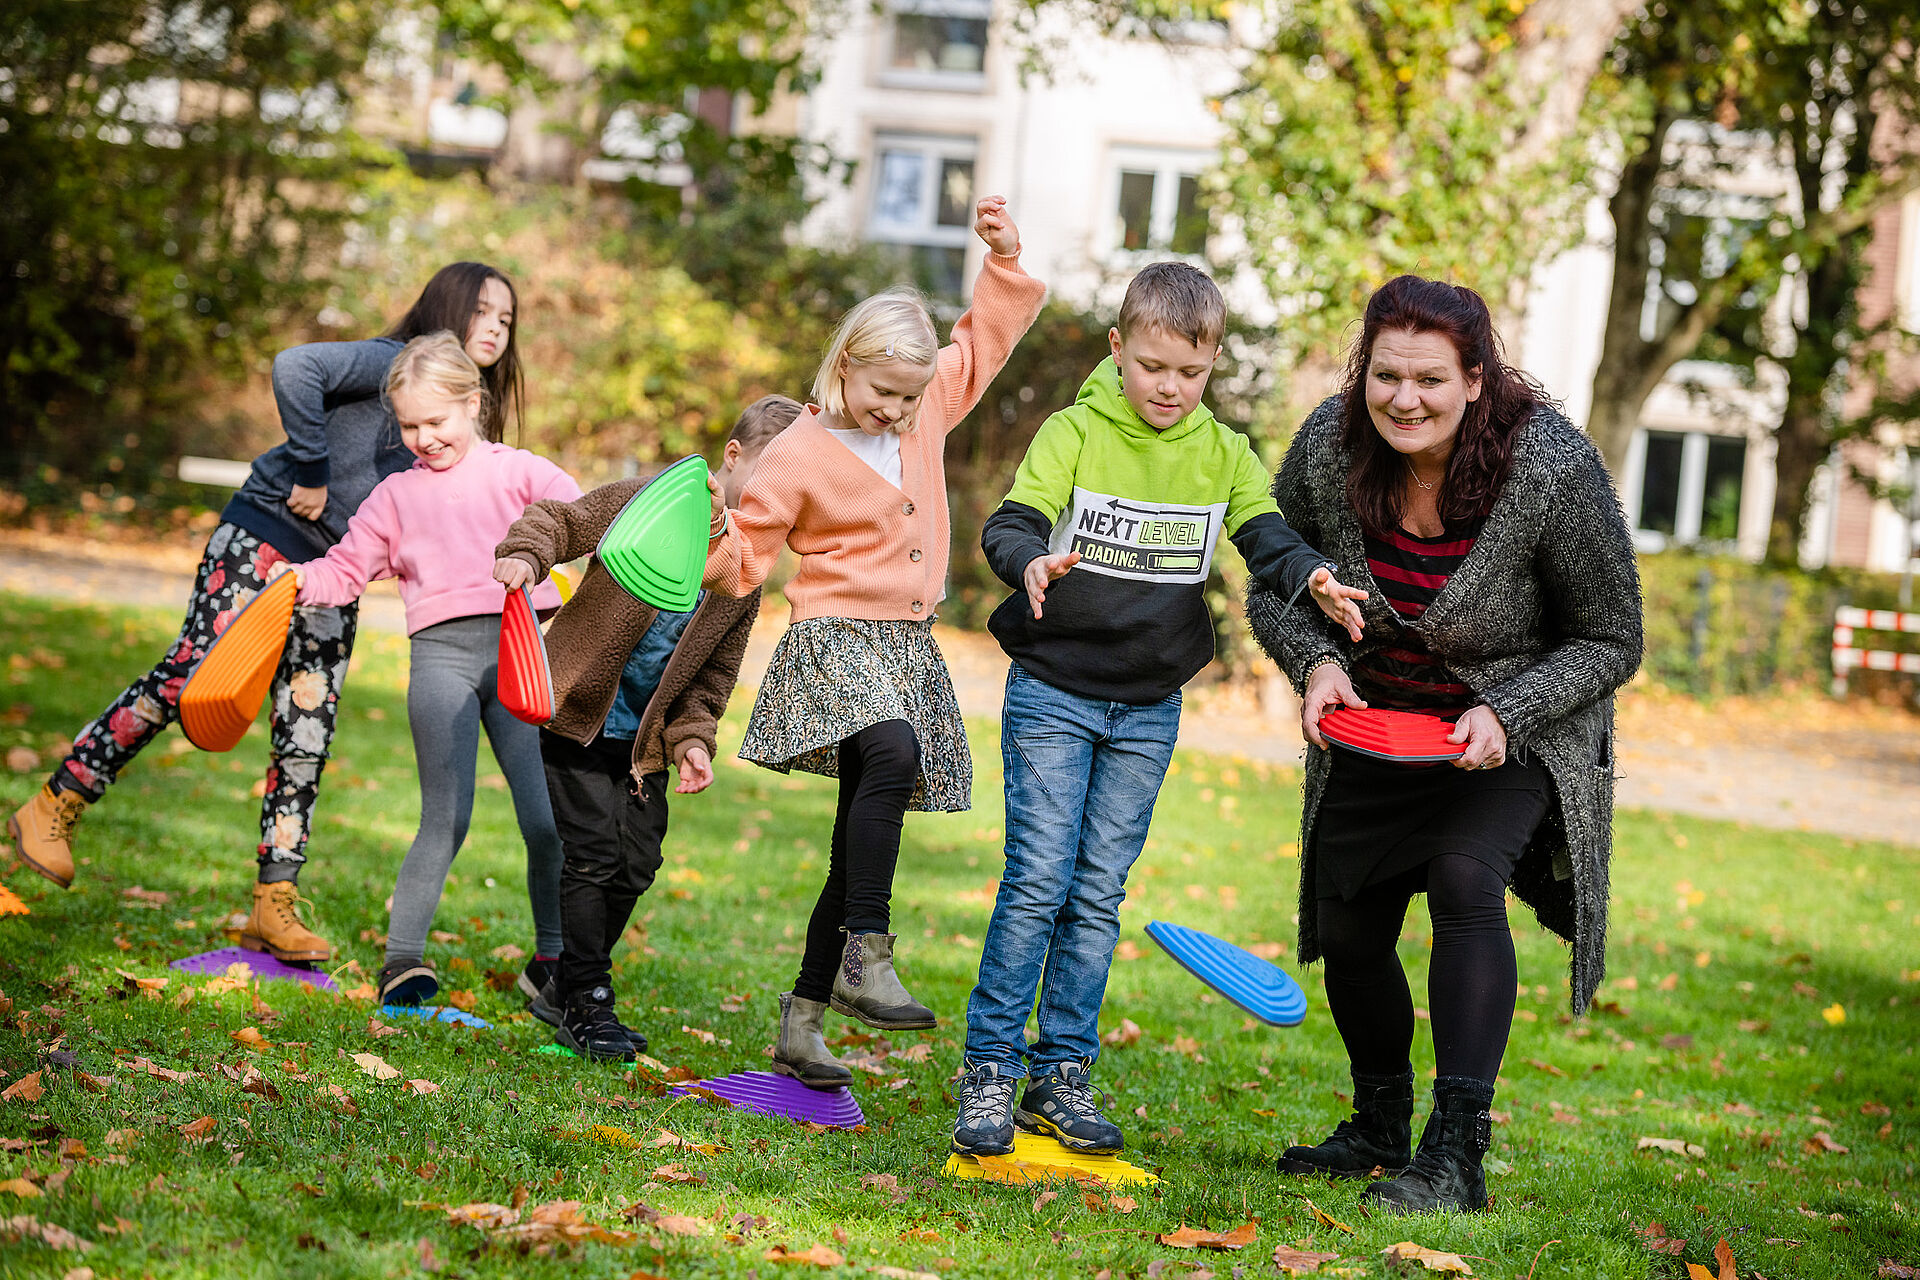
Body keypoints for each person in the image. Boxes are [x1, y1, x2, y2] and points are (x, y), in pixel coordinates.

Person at [948, 262, 1368, 1157]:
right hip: (1055, 693)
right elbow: (1011, 523)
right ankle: (988, 1069)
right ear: (1118, 350)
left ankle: (1061, 1075)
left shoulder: (1220, 452)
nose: (1169, 388)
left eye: (1189, 372)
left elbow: (1267, 535)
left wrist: (1313, 576)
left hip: (1147, 708)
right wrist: (1027, 561)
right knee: (1037, 882)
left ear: (1211, 365)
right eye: (1150, 367)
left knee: (1097, 894)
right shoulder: (1075, 432)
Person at [1245, 275, 1643, 1213]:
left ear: (1475, 378)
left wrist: (1511, 711)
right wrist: (1314, 663)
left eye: (1429, 379)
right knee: (1348, 924)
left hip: (1509, 735)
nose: (1403, 400)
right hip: (1376, 725)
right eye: (1386, 376)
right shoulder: (1329, 445)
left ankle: (1457, 1151)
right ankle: (1381, 1121)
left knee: (1466, 883)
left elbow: (1612, 636)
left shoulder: (1547, 468)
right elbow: (1274, 576)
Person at [8, 263, 526, 965]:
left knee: (307, 727)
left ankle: (272, 903)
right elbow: (295, 366)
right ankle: (58, 800)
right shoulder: (384, 362)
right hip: (266, 536)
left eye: (507, 318)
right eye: (485, 311)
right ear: (449, 305)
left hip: (330, 574)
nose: (497, 326)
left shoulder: (452, 420)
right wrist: (310, 468)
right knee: (191, 673)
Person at [702, 197, 1047, 1090]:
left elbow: (985, 340)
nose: (897, 409)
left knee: (856, 846)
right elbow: (748, 559)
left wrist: (1005, 262)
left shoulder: (926, 403)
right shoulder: (797, 456)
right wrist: (708, 543)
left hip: (905, 643)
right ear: (842, 368)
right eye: (880, 392)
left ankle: (805, 1018)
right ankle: (869, 952)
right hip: (831, 638)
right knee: (891, 754)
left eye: (909, 394)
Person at [491, 396, 801, 1061]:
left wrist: (692, 741)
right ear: (734, 457)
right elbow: (563, 520)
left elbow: (710, 683)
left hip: (644, 748)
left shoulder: (745, 571)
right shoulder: (655, 501)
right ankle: (586, 1000)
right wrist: (527, 555)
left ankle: (562, 981)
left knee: (636, 864)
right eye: (772, 476)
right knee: (595, 855)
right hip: (575, 715)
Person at [276, 333, 580, 1005]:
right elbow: (345, 569)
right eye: (409, 425)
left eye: (435, 421)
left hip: (523, 654)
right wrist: (295, 580)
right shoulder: (392, 498)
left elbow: (584, 517)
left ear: (474, 404)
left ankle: (553, 960)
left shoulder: (521, 472)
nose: (422, 437)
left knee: (547, 820)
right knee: (445, 817)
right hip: (440, 660)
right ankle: (403, 963)